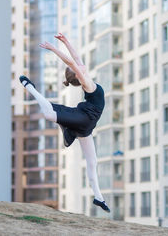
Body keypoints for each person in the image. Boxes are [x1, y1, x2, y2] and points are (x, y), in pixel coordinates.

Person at [19, 33, 110, 213]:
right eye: (78, 67)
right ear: (78, 73)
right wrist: (53, 49)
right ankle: (30, 88)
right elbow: (71, 62)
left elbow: (75, 58)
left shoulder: (85, 75)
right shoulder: (86, 83)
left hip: (87, 125)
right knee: (50, 114)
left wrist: (65, 41)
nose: (81, 64)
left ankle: (99, 198)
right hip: (84, 117)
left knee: (93, 161)